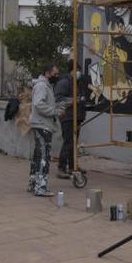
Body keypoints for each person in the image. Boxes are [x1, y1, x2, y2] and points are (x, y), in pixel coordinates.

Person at [28, 62, 63, 197]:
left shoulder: (44, 85)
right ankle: (41, 187)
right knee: (43, 156)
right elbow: (38, 104)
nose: (57, 76)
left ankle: (33, 183)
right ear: (47, 73)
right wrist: (54, 112)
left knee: (37, 155)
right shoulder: (42, 86)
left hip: (40, 124)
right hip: (43, 125)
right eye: (55, 74)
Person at [54, 60, 90, 179]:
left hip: (78, 116)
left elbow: (81, 97)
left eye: (79, 70)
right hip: (68, 117)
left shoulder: (79, 82)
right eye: (76, 70)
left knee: (74, 143)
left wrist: (82, 101)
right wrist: (74, 100)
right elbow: (59, 99)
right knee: (68, 142)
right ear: (71, 71)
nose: (78, 72)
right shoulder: (64, 83)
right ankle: (61, 168)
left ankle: (73, 166)